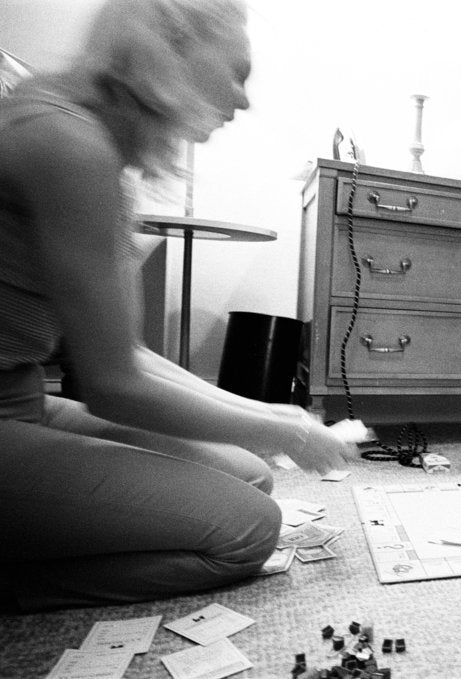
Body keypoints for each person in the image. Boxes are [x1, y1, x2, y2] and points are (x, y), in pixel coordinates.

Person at [0, 0, 361, 611]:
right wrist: (289, 431)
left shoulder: (96, 142)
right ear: (172, 44)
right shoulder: (67, 141)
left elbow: (128, 357)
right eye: (236, 73)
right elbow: (115, 387)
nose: (244, 100)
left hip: (24, 398)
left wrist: (281, 419)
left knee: (250, 473)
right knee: (248, 530)